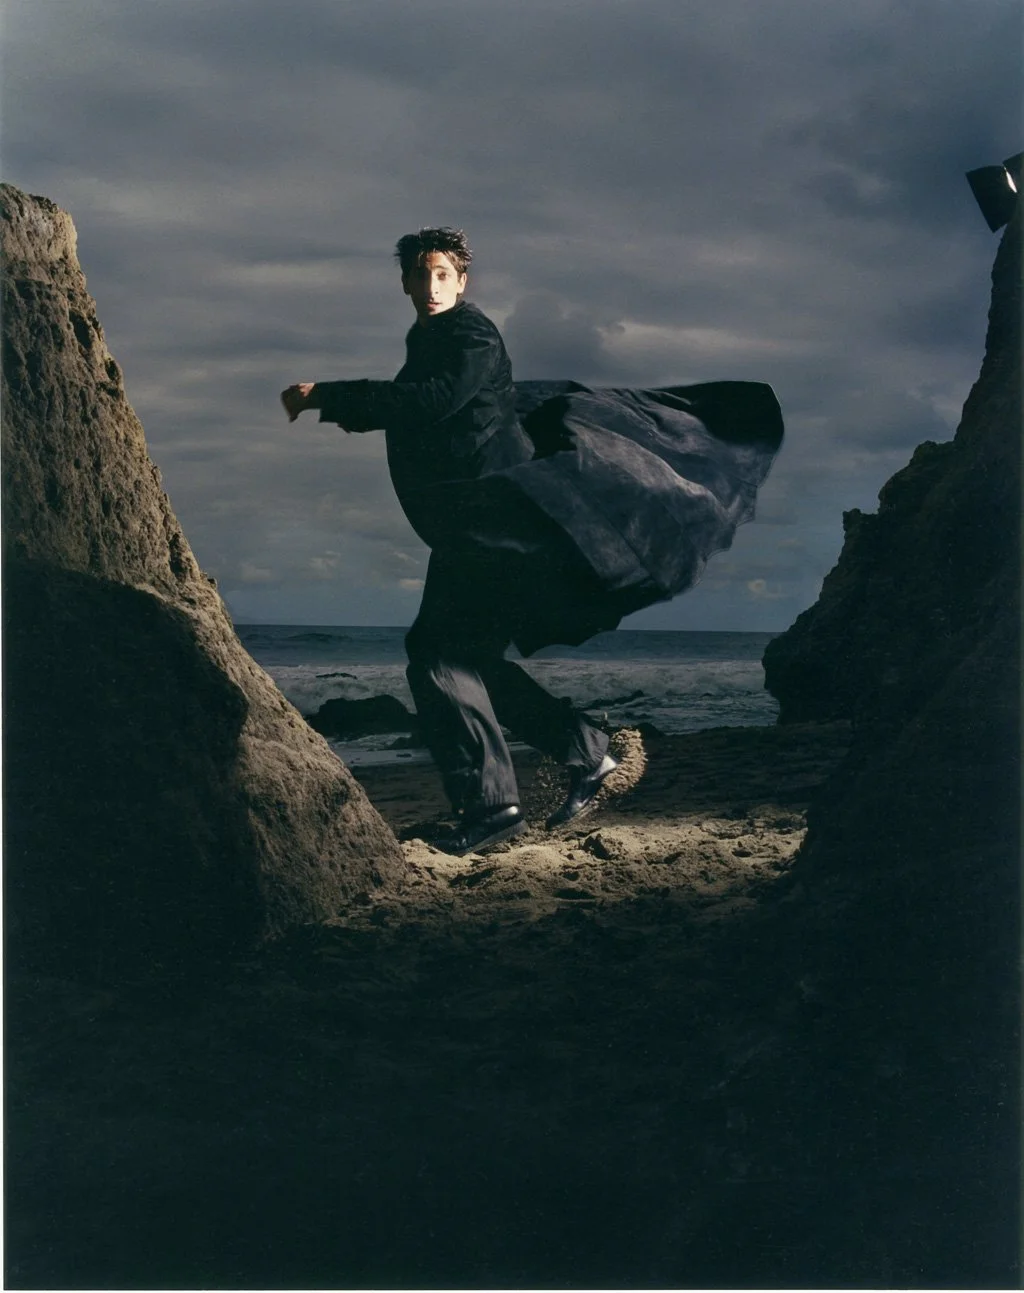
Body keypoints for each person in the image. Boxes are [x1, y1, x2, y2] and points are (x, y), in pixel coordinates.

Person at [282, 226, 784, 855]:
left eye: (444, 274)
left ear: (462, 280)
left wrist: (327, 396)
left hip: (496, 524)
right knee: (460, 656)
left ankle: (495, 807)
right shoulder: (429, 336)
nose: (433, 286)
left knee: (440, 654)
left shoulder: (470, 334)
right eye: (421, 274)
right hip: (475, 527)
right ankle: (585, 753)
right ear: (406, 281)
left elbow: (434, 401)